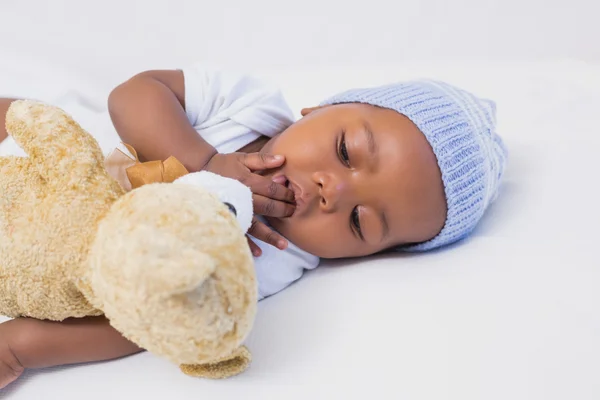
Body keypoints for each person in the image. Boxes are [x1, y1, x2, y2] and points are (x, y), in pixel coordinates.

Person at [0, 64, 507, 388]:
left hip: (39, 258)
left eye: (360, 222)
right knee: (20, 112)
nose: (336, 190)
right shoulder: (251, 107)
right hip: (35, 154)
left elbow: (140, 324)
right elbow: (133, 94)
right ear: (319, 108)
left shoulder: (274, 259)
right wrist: (204, 161)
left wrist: (23, 346)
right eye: (345, 151)